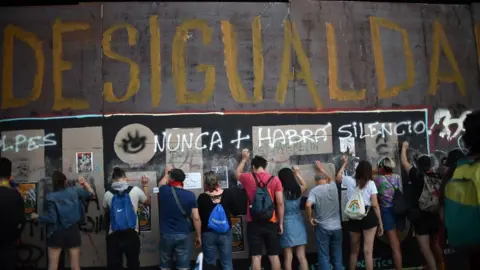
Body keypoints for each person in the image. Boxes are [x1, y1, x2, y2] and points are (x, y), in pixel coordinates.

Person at [31, 171, 95, 270]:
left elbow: (52, 219)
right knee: (75, 267)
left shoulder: (50, 197)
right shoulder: (74, 191)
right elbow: (91, 194)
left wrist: (38, 217)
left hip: (56, 233)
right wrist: (84, 183)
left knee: (53, 266)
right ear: (65, 181)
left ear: (54, 183)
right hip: (72, 231)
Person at [235, 149, 284, 270]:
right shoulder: (275, 179)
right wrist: (280, 223)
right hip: (271, 221)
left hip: (254, 221)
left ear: (253, 167)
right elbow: (280, 203)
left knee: (256, 256)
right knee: (273, 255)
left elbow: (237, 173)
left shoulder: (248, 178)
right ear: (265, 166)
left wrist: (244, 159)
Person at [401, 141, 444, 270]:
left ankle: (433, 268)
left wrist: (404, 148)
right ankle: (442, 265)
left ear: (418, 165)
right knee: (435, 244)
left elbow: (404, 162)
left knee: (425, 248)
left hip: (421, 218)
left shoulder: (417, 175)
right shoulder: (438, 176)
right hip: (436, 215)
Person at [336, 156, 383, 270]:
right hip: (368, 216)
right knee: (368, 251)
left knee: (354, 251)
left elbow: (338, 178)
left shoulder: (349, 181)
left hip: (353, 216)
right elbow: (375, 205)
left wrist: (344, 163)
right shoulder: (371, 184)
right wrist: (380, 223)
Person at [103, 167, 151, 270]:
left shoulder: (108, 194)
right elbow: (148, 202)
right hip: (131, 233)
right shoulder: (135, 190)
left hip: (114, 234)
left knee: (115, 264)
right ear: (125, 178)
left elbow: (105, 209)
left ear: (113, 180)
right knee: (133, 263)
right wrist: (145, 185)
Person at [158, 166, 202, 270]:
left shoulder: (164, 191)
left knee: (165, 264)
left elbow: (161, 184)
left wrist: (166, 173)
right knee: (183, 266)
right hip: (183, 234)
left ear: (171, 179)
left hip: (166, 234)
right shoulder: (190, 195)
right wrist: (198, 235)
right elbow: (196, 218)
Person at [306, 161, 342, 270]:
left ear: (316, 181)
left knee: (323, 255)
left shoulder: (314, 191)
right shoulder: (333, 186)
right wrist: (321, 169)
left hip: (322, 227)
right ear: (326, 180)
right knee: (337, 254)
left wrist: (310, 218)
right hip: (337, 227)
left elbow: (308, 205)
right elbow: (331, 178)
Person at [197, 171, 235, 269]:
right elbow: (233, 210)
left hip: (208, 233)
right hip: (225, 232)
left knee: (210, 263)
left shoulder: (202, 197)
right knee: (227, 263)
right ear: (218, 181)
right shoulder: (227, 194)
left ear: (205, 183)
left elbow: (198, 216)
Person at [277, 166, 308, 270]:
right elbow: (305, 185)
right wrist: (297, 173)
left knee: (288, 257)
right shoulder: (298, 189)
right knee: (302, 256)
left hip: (286, 223)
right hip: (299, 221)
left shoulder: (280, 192)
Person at [374, 157, 402, 270]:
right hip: (399, 210)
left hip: (387, 211)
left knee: (395, 246)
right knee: (397, 242)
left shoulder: (379, 180)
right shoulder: (397, 177)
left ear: (381, 167)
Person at [0, 157, 26, 270]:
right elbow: (21, 220)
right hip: (8, 243)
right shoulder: (15, 195)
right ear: (9, 175)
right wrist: (16, 235)